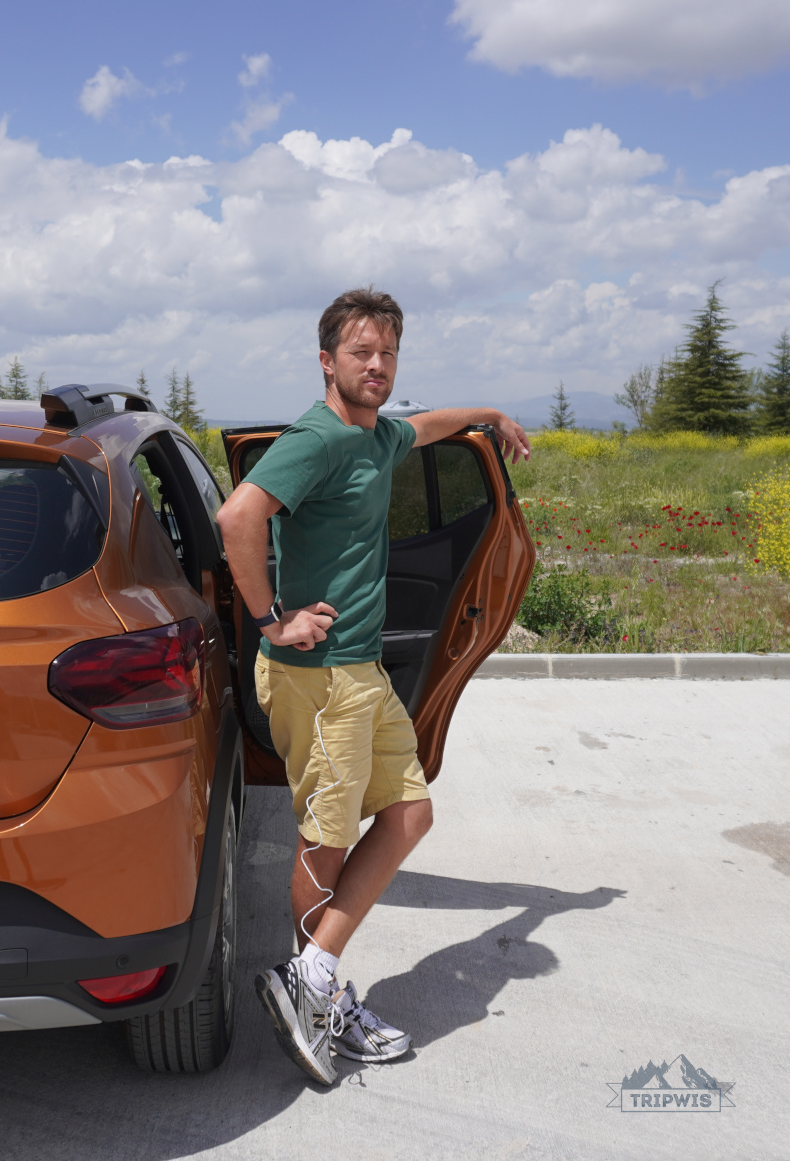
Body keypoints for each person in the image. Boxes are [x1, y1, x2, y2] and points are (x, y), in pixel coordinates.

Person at [215, 288, 529, 1085]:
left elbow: (429, 426)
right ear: (327, 361)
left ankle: (312, 977)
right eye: (360, 352)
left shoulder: (380, 439)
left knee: (409, 812)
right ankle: (316, 988)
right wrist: (271, 618)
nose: (376, 366)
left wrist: (487, 413)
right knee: (327, 836)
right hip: (317, 677)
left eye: (387, 353)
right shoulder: (315, 439)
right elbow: (236, 518)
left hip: (358, 671)